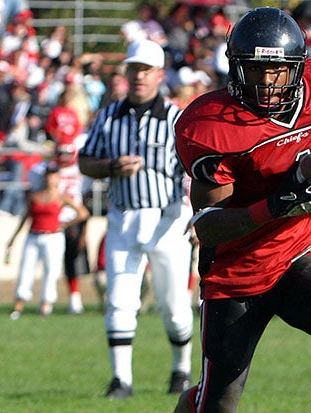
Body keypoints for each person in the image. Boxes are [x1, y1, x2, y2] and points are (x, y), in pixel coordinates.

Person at [172, 8, 311, 413]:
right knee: (217, 403)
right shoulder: (210, 126)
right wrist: (277, 205)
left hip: (297, 254)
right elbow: (208, 228)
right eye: (256, 69)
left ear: (299, 67)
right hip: (235, 274)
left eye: (278, 69)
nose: (267, 81)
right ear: (236, 68)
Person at [78, 40, 195, 399]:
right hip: (123, 216)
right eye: (134, 69)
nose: (139, 76)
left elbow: (198, 169)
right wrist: (112, 167)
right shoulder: (109, 116)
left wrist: (199, 213)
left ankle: (181, 370)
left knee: (174, 306)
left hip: (168, 219)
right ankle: (121, 380)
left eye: (146, 70)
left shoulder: (178, 118)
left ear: (159, 74)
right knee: (119, 299)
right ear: (126, 73)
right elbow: (85, 161)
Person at [7, 162, 90, 319]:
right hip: (33, 235)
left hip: (53, 236)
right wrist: (13, 238)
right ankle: (19, 305)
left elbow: (82, 213)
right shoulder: (35, 196)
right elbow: (25, 218)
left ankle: (46, 304)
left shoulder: (61, 197)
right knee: (26, 269)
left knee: (51, 271)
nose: (50, 179)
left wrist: (64, 224)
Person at [29, 140, 91, 314]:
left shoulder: (80, 170)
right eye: (61, 153)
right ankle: (47, 302)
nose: (64, 157)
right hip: (51, 221)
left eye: (67, 153)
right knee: (51, 264)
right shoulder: (46, 170)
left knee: (73, 261)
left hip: (72, 220)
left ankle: (74, 299)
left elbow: (84, 197)